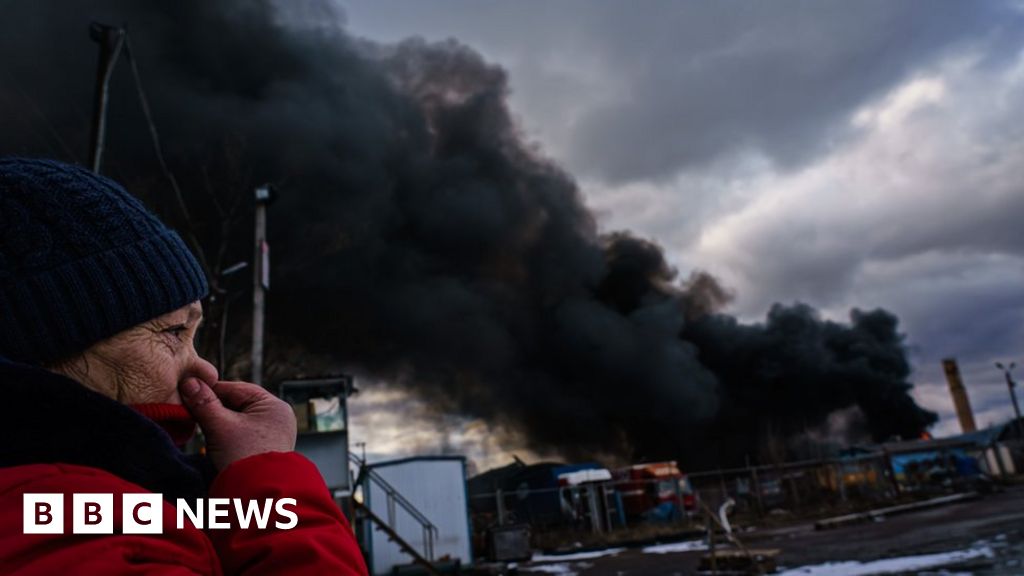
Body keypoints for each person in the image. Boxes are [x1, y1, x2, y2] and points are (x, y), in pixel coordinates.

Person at [0, 158, 368, 575]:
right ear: (47, 337)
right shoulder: (64, 535)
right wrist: (266, 476)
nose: (206, 370)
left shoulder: (87, 509)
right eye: (173, 332)